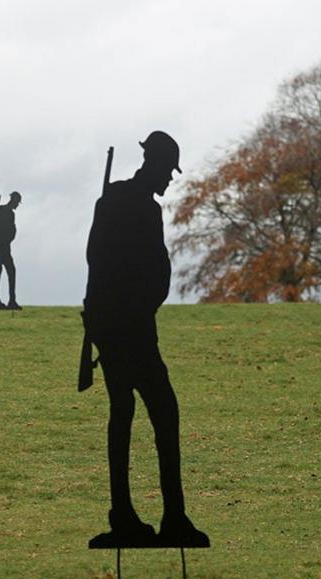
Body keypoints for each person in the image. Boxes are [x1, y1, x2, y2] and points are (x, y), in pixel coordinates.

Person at [83, 131, 208, 548]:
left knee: (124, 413)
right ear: (153, 164)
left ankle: (129, 514)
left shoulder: (112, 201)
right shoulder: (140, 208)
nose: (169, 180)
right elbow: (139, 266)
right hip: (131, 328)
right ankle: (166, 516)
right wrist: (143, 303)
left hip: (115, 325)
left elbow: (96, 261)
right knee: (161, 413)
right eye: (167, 170)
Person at [0, 192, 22, 309]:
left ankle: (6, 300)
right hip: (0, 247)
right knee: (4, 272)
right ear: (14, 201)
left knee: (4, 272)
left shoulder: (4, 212)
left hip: (2, 246)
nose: (17, 205)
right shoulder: (5, 212)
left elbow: (8, 230)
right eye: (17, 203)